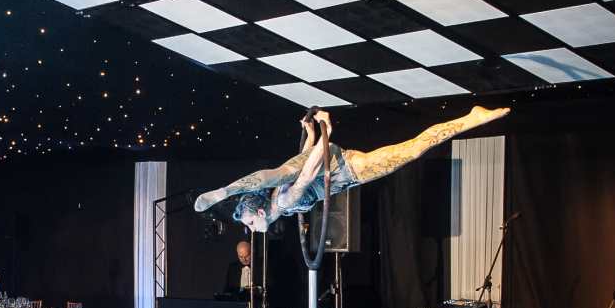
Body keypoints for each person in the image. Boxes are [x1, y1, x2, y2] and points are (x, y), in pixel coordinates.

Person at [196, 105, 511, 233]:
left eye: (250, 223)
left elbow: (308, 173)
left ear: (261, 214)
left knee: (414, 150)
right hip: (324, 164)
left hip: (342, 168)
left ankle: (472, 118)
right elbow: (301, 164)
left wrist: (325, 133)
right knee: (281, 171)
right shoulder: (280, 200)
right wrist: (311, 134)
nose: (252, 230)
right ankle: (229, 189)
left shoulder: (284, 203)